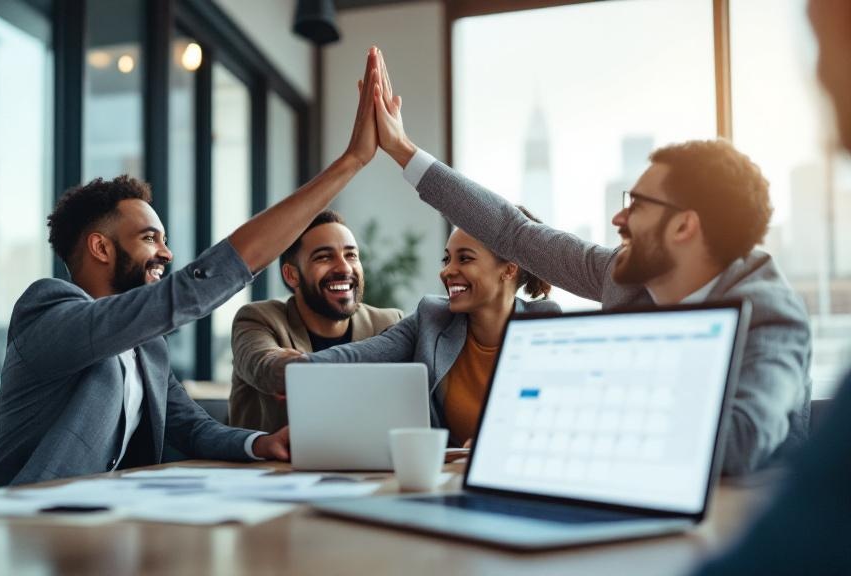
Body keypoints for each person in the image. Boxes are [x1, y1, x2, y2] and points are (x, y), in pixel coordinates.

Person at [364, 50, 811, 476]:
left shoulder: (769, 313)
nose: (618, 218)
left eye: (636, 205)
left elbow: (743, 438)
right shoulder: (621, 277)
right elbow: (514, 232)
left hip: (739, 531)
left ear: (683, 227)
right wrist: (403, 150)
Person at [0, 48, 387, 487]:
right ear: (100, 247)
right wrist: (351, 162)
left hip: (108, 522)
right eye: (149, 238)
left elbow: (191, 427)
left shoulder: (145, 346)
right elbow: (186, 293)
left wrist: (259, 443)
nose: (166, 253)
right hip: (26, 524)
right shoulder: (47, 310)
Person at [690, 0, 851, 572]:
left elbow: (792, 542)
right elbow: (528, 237)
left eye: (824, 39)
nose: (819, 74)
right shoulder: (634, 283)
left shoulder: (768, 306)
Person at [265, 223, 559, 446]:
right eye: (447, 260)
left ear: (508, 269)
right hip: (447, 484)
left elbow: (556, 418)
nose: (447, 272)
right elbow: (366, 353)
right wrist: (302, 368)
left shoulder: (544, 324)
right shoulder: (433, 317)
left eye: (464, 259)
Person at [229, 209, 403, 433]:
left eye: (351, 255)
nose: (344, 267)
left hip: (367, 465)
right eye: (324, 257)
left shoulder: (387, 323)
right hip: (275, 466)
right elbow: (265, 367)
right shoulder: (258, 319)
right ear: (292, 275)